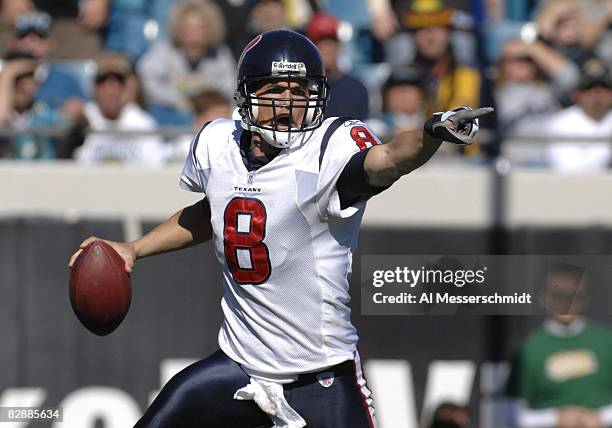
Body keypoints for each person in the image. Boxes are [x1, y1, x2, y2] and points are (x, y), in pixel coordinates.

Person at [68, 29, 492, 427]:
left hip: (319, 377)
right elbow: (211, 211)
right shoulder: (218, 143)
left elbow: (389, 159)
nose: (288, 104)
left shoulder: (328, 149)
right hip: (237, 367)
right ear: (248, 96)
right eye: (275, 91)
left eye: (300, 92)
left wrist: (430, 135)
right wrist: (134, 249)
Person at [506, 262, 612, 428]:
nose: (567, 303)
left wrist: (600, 417)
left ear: (586, 297)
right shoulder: (528, 350)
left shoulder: (607, 341)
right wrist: (555, 418)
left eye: (575, 295)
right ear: (543, 297)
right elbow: (513, 415)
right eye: (560, 295)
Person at [137, 1, 236, 126]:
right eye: (187, 28)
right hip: (170, 115)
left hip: (208, 115)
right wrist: (177, 100)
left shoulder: (220, 55)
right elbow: (147, 78)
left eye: (200, 27)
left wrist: (207, 103)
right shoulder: (164, 50)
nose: (193, 34)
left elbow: (229, 89)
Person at [73, 52, 166, 165]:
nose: (111, 90)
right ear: (93, 88)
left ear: (128, 88)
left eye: (119, 82)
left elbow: (154, 167)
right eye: (102, 82)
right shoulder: (82, 120)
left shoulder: (143, 124)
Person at [542, 56, 612, 172]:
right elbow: (567, 168)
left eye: (603, 88)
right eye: (588, 88)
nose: (596, 94)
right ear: (576, 93)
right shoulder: (559, 123)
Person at [306, 11, 370, 120]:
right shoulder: (300, 87)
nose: (327, 49)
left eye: (331, 42)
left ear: (339, 46)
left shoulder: (356, 88)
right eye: (320, 43)